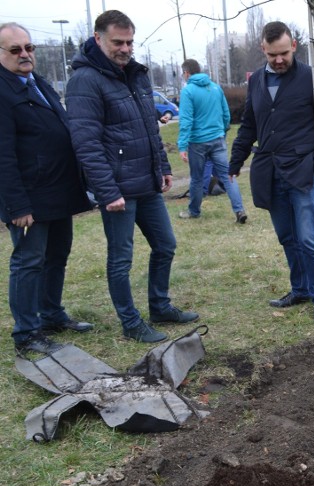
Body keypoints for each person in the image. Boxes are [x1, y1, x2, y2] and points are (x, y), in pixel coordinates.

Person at [66, 10, 198, 343]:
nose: (125, 49)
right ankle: (130, 322)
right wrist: (107, 191)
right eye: (117, 42)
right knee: (121, 259)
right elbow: (86, 142)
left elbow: (148, 127)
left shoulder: (136, 74)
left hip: (146, 183)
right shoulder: (85, 80)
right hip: (118, 191)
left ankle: (160, 306)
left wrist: (163, 168)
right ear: (98, 39)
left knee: (165, 245)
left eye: (129, 42)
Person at [229, 21, 314, 323]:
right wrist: (235, 162)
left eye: (284, 53)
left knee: (308, 237)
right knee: (287, 237)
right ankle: (300, 288)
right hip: (271, 172)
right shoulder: (256, 82)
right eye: (272, 55)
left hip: (304, 172)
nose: (279, 60)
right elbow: (249, 125)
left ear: (293, 46)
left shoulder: (312, 78)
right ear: (263, 49)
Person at [0, 23, 94, 355]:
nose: (25, 55)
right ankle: (26, 333)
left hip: (58, 190)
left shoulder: (38, 83)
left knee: (57, 256)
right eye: (15, 50)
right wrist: (17, 206)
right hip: (29, 198)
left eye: (29, 48)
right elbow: (3, 156)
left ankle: (51, 314)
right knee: (28, 262)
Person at [176, 58, 247, 224]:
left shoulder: (188, 91)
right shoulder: (216, 88)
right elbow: (226, 114)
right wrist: (222, 131)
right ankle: (239, 210)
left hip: (197, 143)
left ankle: (194, 211)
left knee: (197, 178)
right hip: (218, 139)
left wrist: (182, 145)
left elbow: (186, 120)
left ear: (186, 73)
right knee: (228, 176)